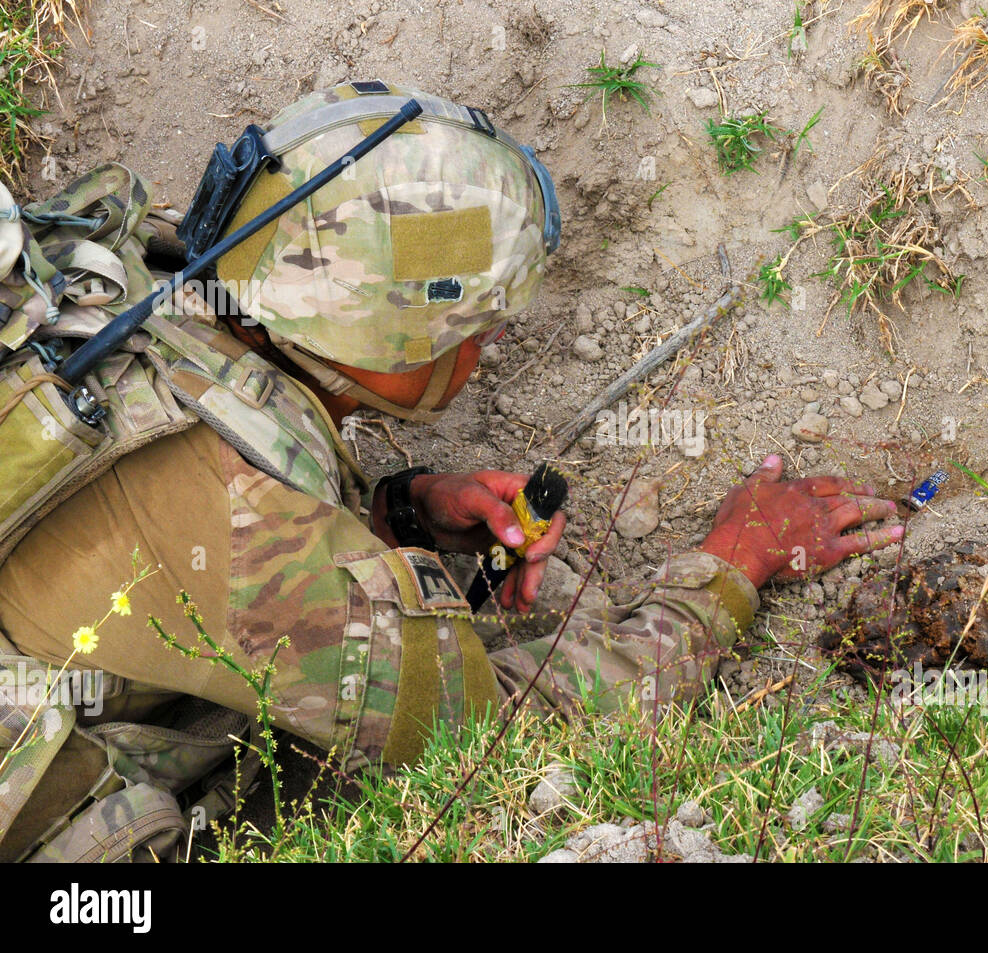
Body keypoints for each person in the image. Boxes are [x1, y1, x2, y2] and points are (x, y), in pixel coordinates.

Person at [0, 81, 900, 860]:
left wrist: (397, 512)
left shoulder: (125, 282)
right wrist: (731, 567)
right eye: (477, 324)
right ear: (387, 341)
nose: (490, 341)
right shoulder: (247, 534)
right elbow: (492, 741)